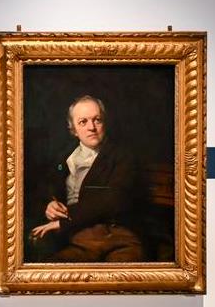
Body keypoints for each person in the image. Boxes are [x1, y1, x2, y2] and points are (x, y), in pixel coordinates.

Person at [29, 95, 145, 262]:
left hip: (117, 237)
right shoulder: (64, 157)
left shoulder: (123, 156)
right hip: (77, 239)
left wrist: (65, 220)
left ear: (104, 123)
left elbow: (112, 199)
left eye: (97, 120)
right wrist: (49, 205)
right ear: (74, 129)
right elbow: (44, 189)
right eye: (83, 122)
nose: (92, 127)